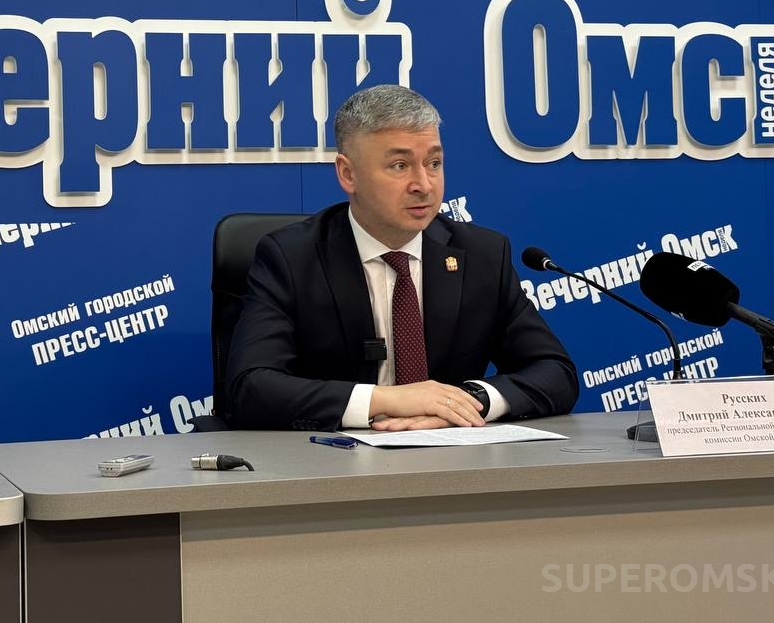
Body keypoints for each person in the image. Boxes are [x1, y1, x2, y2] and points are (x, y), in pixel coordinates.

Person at [226, 85, 578, 431]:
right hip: (333, 458)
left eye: (434, 163)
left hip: (453, 456)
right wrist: (386, 400)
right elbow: (250, 387)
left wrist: (468, 401)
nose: (423, 184)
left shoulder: (483, 255)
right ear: (348, 174)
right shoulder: (291, 258)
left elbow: (556, 372)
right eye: (400, 165)